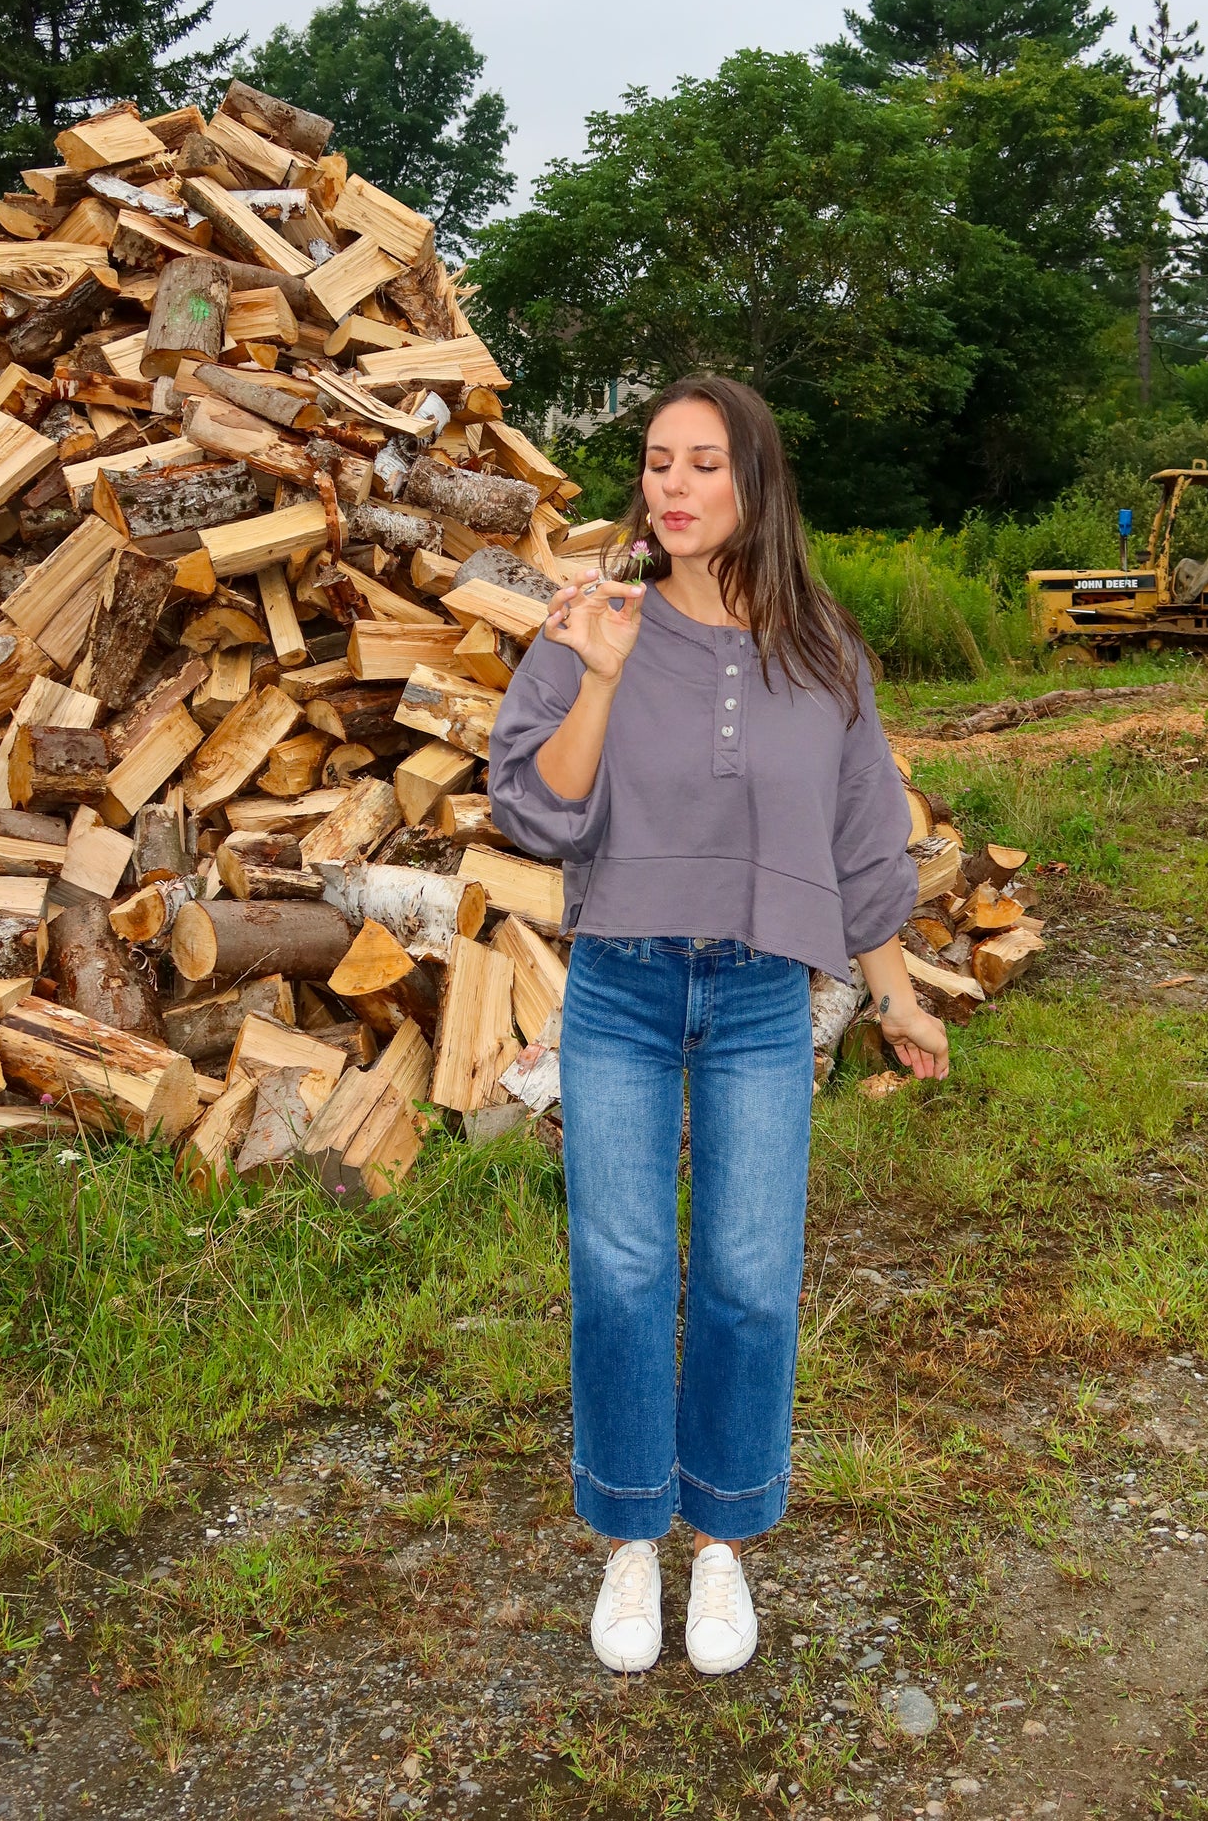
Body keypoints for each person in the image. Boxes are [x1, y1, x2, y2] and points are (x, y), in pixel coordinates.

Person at [487, 374, 949, 1679]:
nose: (673, 486)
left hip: (760, 997)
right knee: (622, 1272)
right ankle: (631, 1538)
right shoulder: (595, 624)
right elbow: (538, 816)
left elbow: (864, 846)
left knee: (748, 1278)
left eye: (702, 463)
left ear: (755, 484)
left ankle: (721, 1545)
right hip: (622, 985)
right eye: (655, 462)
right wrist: (597, 677)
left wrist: (900, 995)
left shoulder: (821, 651)